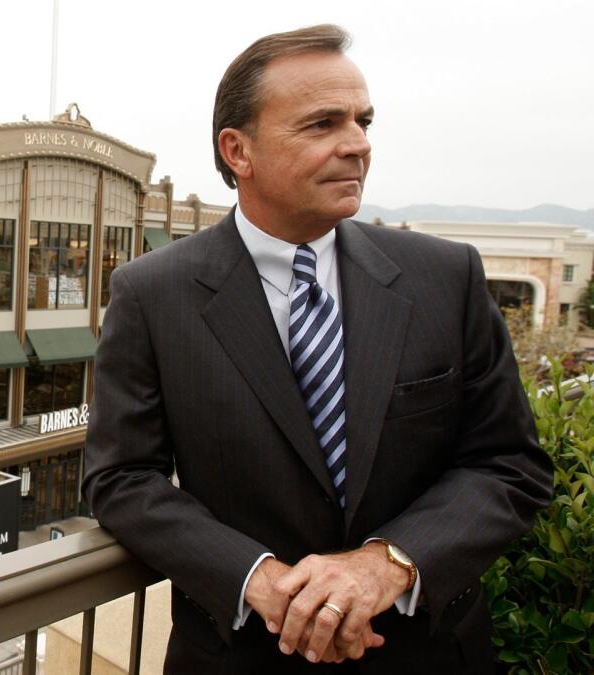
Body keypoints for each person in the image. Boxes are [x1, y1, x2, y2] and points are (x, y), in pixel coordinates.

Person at [82, 24, 553, 673]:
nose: (357, 144)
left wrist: (387, 562)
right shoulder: (152, 294)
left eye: (363, 121)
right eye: (323, 124)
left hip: (427, 654)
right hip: (244, 655)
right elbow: (121, 478)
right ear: (237, 151)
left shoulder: (445, 277)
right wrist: (259, 579)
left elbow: (509, 464)